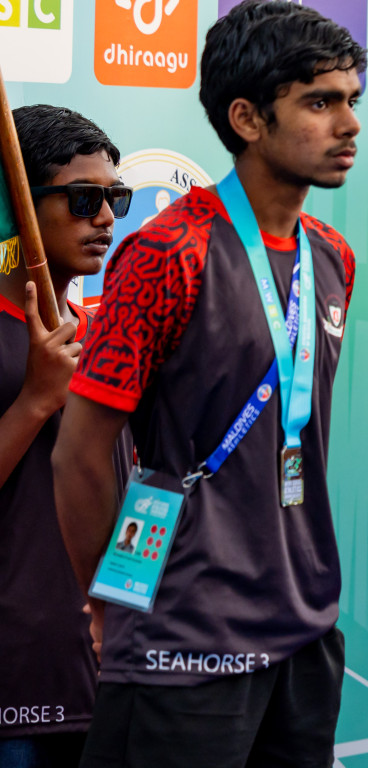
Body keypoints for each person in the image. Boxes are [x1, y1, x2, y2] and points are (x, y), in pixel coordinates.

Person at [53, 0, 364, 768]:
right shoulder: (167, 254)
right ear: (248, 119)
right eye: (320, 103)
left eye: (351, 101)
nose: (348, 124)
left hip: (305, 627)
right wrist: (113, 603)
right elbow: (81, 454)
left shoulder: (334, 256)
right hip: (182, 638)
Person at [0, 105, 129, 768]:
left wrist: (129, 610)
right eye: (84, 199)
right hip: (13, 675)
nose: (106, 218)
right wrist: (35, 399)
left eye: (115, 198)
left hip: (102, 671)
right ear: (19, 200)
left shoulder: (105, 334)